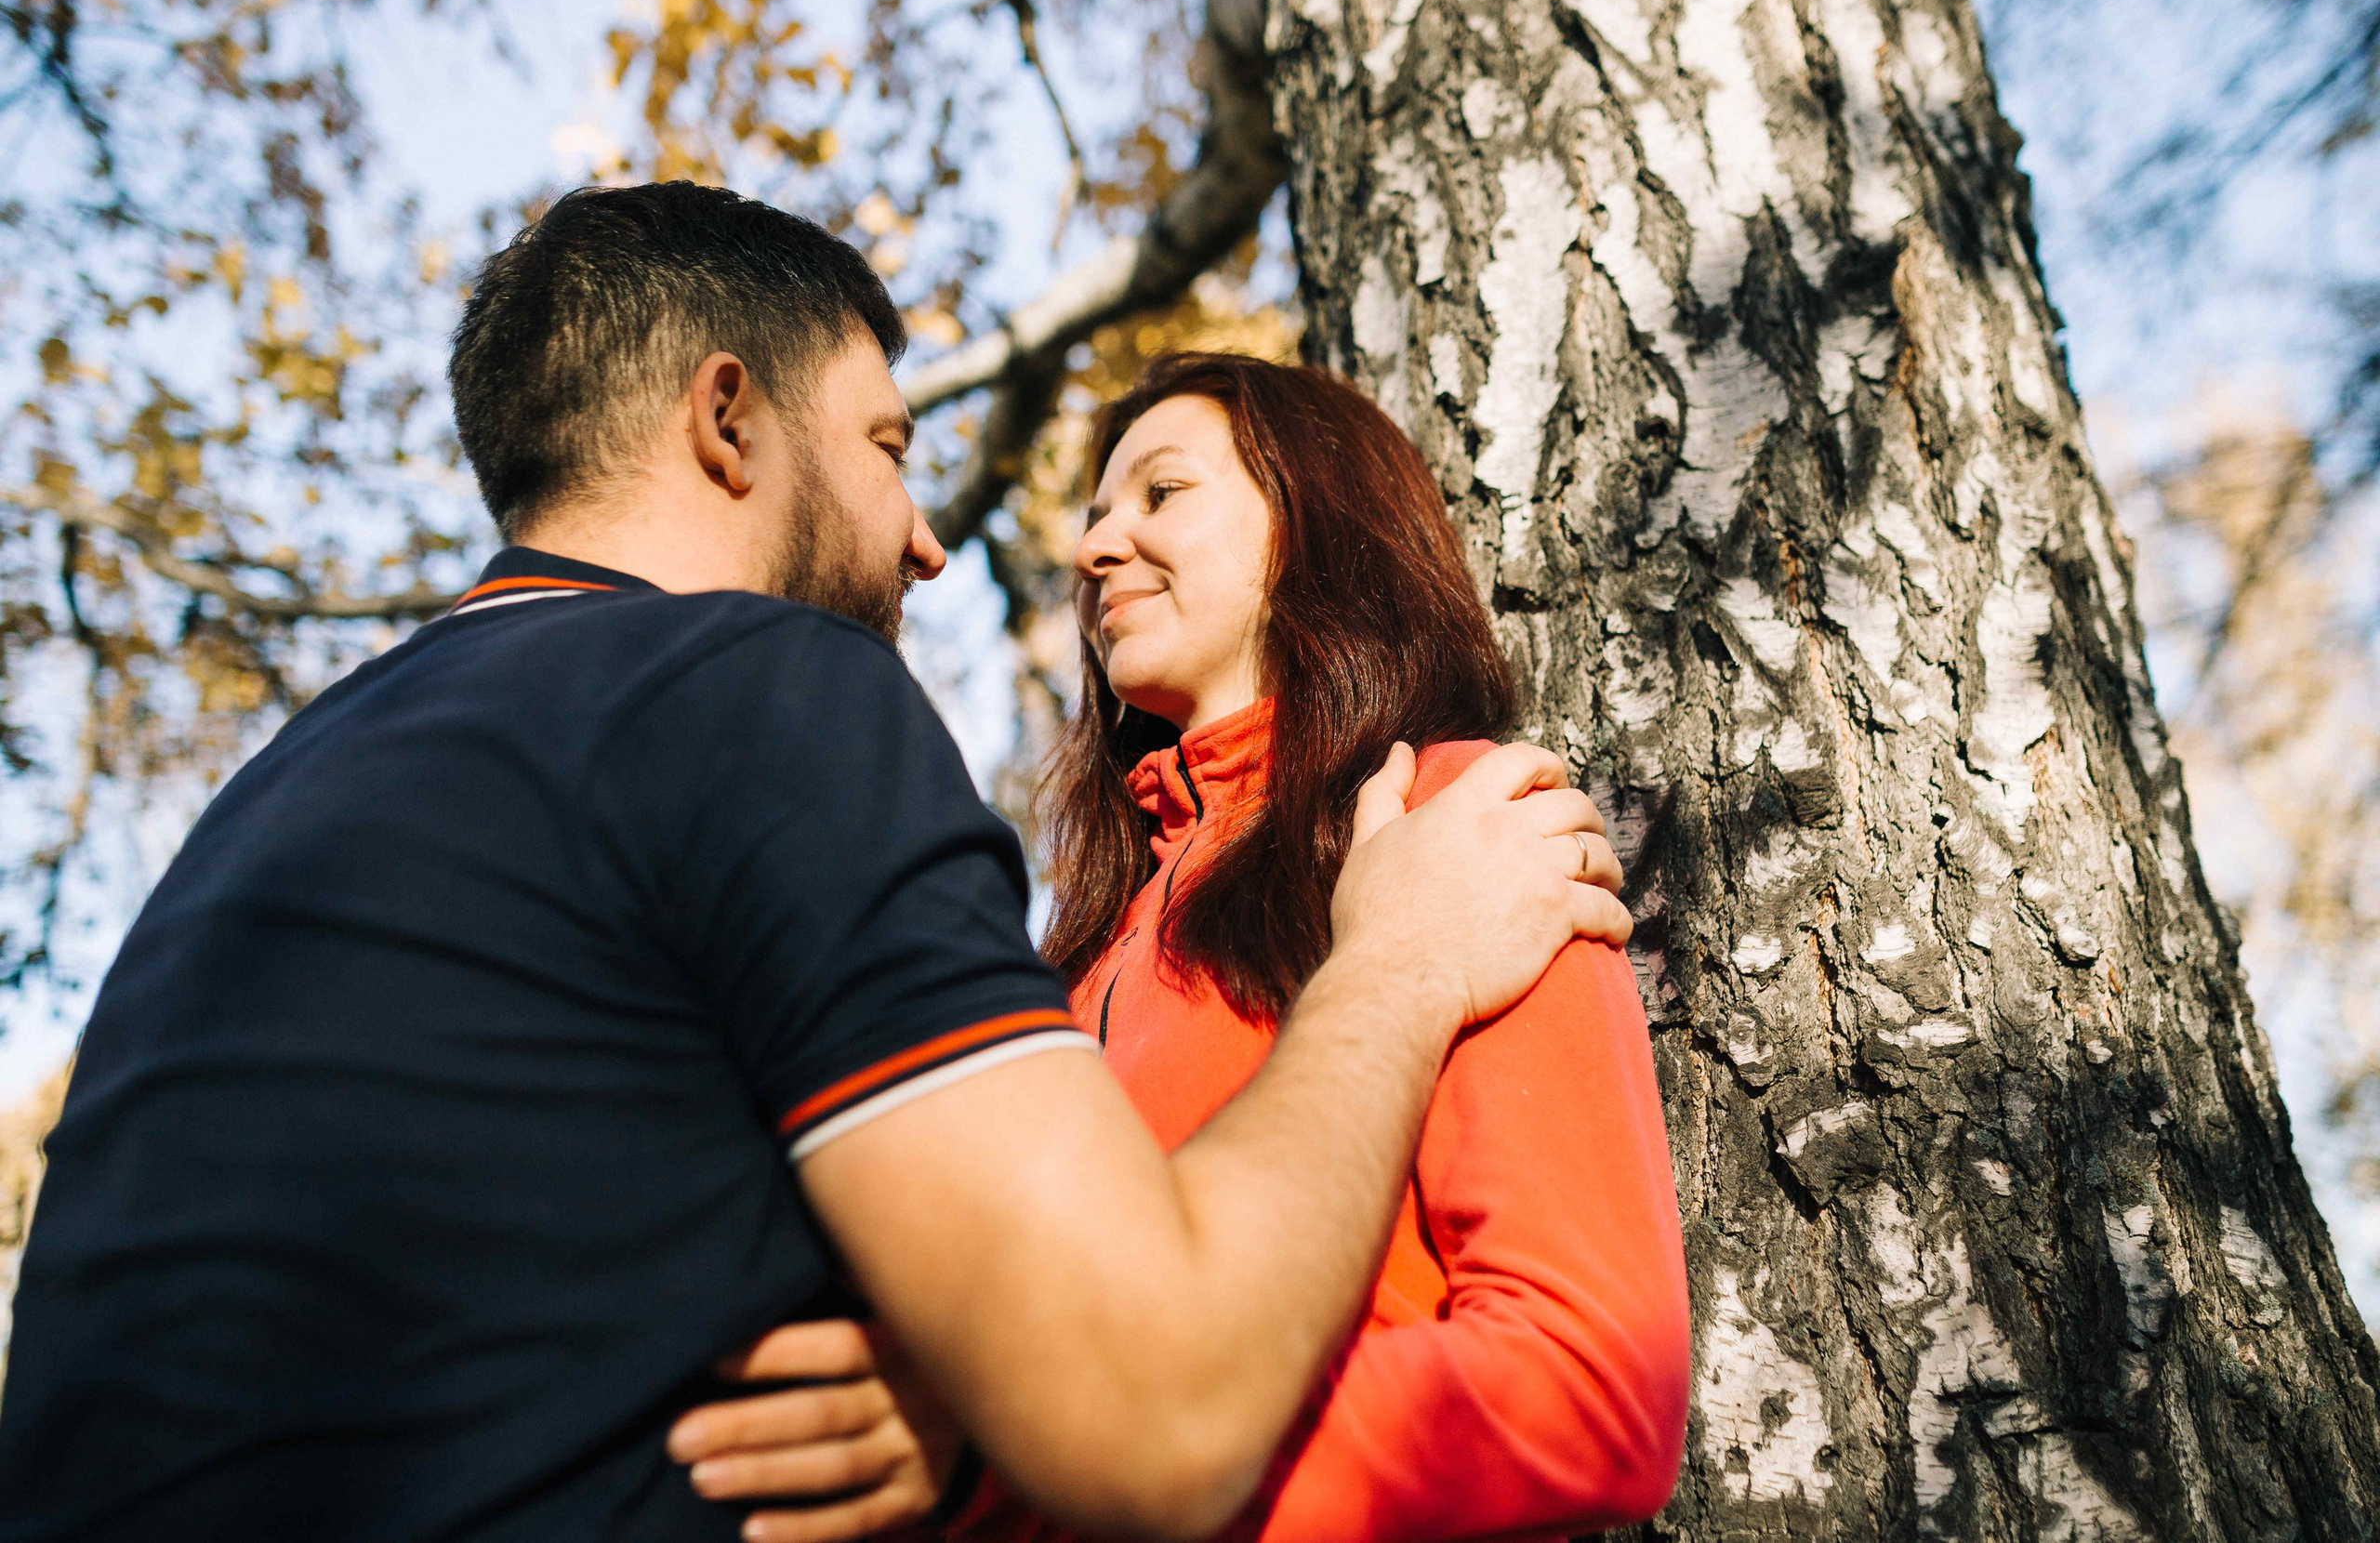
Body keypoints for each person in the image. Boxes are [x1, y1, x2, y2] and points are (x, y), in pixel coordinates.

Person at [0, 186, 1632, 1543]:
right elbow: (1138, 1389)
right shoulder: (754, 690)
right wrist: (1400, 969)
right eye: (888, 445)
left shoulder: (276, 806)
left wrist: (998, 1406)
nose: (936, 537)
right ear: (729, 421)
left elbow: (1587, 1368)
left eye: (1165, 488)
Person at [660, 354, 1692, 1543]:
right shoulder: (1075, 956)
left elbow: (1591, 1391)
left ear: (1319, 520)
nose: (1097, 550)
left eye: (1161, 494)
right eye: (1093, 520)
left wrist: (1056, 1445)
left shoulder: (1452, 824)